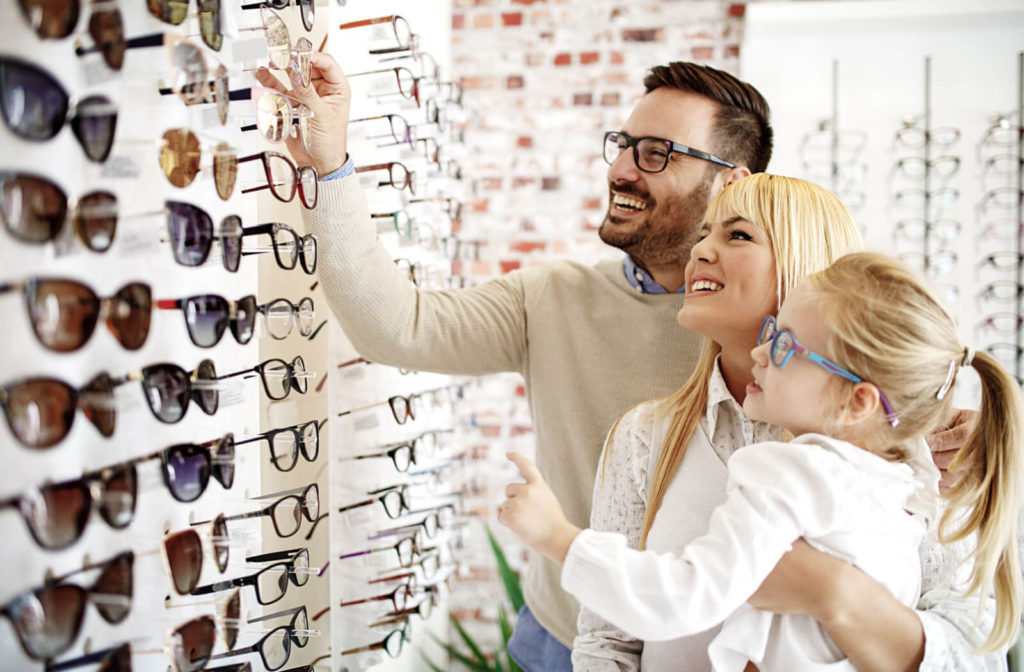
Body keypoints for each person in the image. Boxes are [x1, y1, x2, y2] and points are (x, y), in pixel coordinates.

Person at [254, 56, 980, 670]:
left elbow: (969, 634)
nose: (623, 169)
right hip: (569, 631)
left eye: (657, 153)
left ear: (734, 180)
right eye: (624, 144)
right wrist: (331, 162)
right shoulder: (558, 304)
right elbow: (398, 327)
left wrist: (841, 595)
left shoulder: (860, 381)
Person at [499, 249, 1024, 670]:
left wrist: (555, 537)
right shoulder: (898, 487)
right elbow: (609, 644)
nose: (761, 350)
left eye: (784, 341)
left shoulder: (786, 470)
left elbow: (683, 596)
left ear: (857, 401)